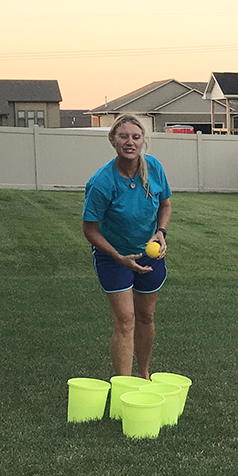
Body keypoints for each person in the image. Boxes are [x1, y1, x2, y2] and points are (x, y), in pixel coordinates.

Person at [82, 113, 171, 379]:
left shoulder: (154, 168)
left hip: (148, 253)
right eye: (123, 136)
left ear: (143, 141)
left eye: (136, 137)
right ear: (113, 140)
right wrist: (118, 256)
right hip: (113, 256)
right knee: (125, 321)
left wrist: (160, 232)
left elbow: (165, 204)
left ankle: (143, 376)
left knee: (146, 317)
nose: (130, 142)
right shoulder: (101, 182)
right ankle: (123, 385)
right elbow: (90, 229)